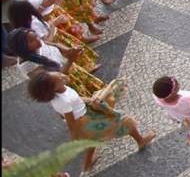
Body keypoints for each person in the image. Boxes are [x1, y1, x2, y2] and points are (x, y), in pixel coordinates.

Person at [27, 71, 155, 171]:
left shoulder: (61, 91)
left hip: (86, 112)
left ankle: (87, 164)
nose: (62, 75)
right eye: (60, 78)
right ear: (53, 89)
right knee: (124, 121)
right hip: (84, 122)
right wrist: (74, 141)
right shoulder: (62, 102)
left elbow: (76, 99)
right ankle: (141, 141)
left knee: (93, 139)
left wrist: (89, 100)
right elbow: (71, 124)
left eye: (58, 73)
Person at [7, 0, 100, 74]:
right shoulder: (30, 27)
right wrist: (53, 25)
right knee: (71, 58)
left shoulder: (29, 22)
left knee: (73, 53)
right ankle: (87, 68)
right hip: (54, 40)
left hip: (56, 41)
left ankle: (87, 67)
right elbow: (46, 40)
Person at [6, 27, 103, 96]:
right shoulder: (28, 66)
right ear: (22, 48)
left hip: (69, 68)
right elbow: (55, 79)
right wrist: (70, 60)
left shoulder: (38, 44)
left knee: (96, 89)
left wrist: (68, 50)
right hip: (66, 82)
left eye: (36, 36)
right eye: (32, 41)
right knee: (89, 99)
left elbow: (54, 44)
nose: (38, 40)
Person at [2, 0, 92, 43]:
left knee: (71, 24)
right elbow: (29, 16)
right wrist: (43, 6)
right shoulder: (19, 2)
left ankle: (83, 38)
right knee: (65, 32)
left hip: (53, 9)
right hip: (45, 17)